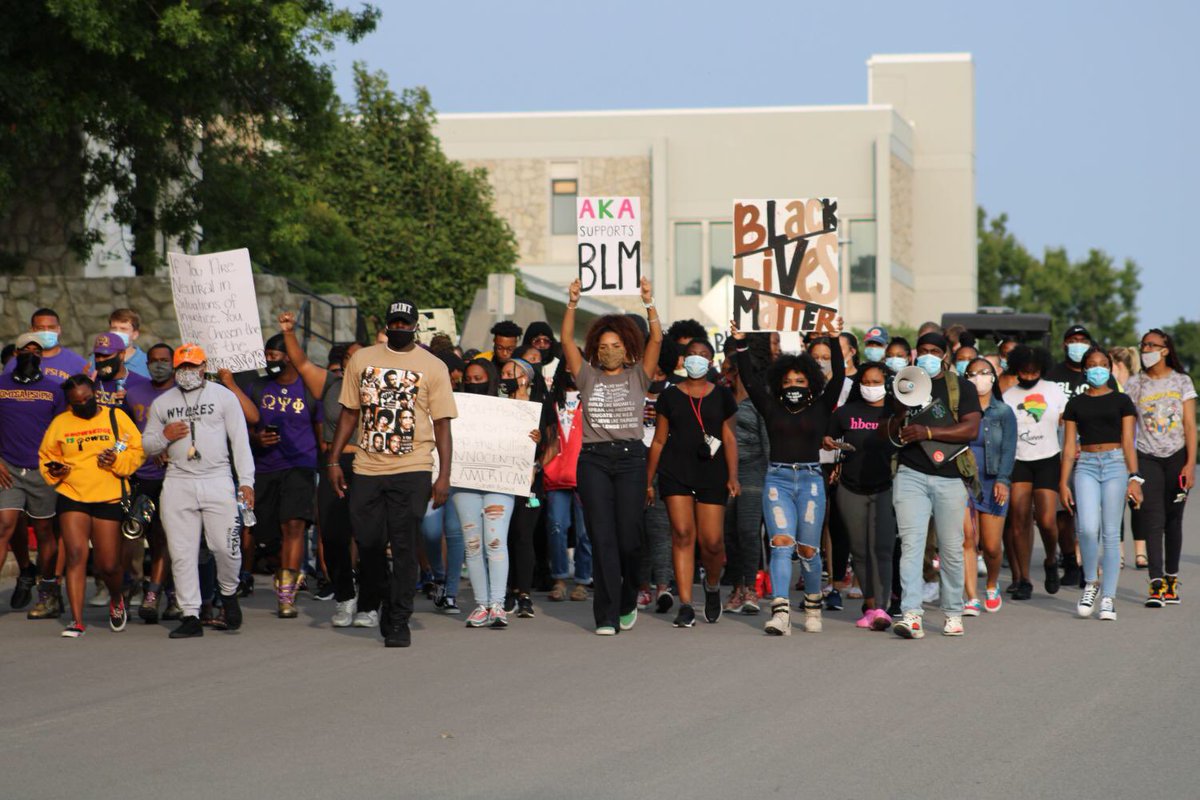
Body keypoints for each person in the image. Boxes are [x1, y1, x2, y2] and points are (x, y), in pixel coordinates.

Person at [327, 299, 457, 648]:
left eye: (405, 323)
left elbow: (442, 424)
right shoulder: (362, 359)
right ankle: (382, 593)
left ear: (416, 327)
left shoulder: (432, 366)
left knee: (403, 544)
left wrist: (443, 475)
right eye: (394, 323)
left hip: (412, 466)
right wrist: (334, 459)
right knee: (367, 542)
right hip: (367, 465)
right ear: (386, 326)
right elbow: (349, 413)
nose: (400, 328)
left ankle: (399, 619)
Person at [731, 318, 844, 636]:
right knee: (781, 544)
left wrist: (833, 340)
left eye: (801, 379)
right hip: (777, 480)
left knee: (808, 549)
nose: (794, 384)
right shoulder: (770, 406)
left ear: (811, 382)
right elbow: (750, 380)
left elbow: (839, 378)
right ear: (780, 382)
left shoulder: (822, 407)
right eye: (788, 380)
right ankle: (780, 611)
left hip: (810, 480)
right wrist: (740, 342)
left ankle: (812, 604)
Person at [561, 276, 661, 635]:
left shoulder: (639, 376)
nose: (609, 351)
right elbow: (565, 343)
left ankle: (628, 598)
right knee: (601, 536)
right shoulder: (586, 376)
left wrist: (648, 302)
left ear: (627, 347)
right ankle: (605, 616)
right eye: (603, 346)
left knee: (629, 539)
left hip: (631, 459)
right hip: (594, 461)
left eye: (616, 345)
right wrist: (572, 303)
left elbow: (658, 340)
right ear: (595, 349)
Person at [141, 345, 254, 638]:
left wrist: (246, 482)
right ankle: (190, 613)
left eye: (193, 366)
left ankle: (228, 593)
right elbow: (147, 445)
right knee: (182, 552)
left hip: (217, 478)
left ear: (204, 367)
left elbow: (240, 441)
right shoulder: (162, 403)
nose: (187, 372)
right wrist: (164, 437)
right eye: (182, 367)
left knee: (225, 547)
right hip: (178, 481)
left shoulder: (223, 397)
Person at [884, 331, 981, 639]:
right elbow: (890, 432)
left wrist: (927, 432)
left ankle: (953, 611)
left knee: (951, 547)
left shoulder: (960, 387)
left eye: (934, 350)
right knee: (911, 545)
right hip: (911, 473)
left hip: (950, 476)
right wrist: (900, 406)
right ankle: (912, 614)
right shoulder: (904, 383)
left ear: (944, 355)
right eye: (922, 350)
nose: (927, 355)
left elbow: (971, 429)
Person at [39, 375, 144, 637]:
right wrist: (56, 470)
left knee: (107, 564)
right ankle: (76, 620)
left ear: (95, 393)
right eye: (77, 402)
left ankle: (117, 597)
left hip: (108, 495)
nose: (83, 404)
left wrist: (116, 461)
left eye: (87, 399)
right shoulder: (61, 423)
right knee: (75, 555)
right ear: (69, 403)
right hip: (72, 494)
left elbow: (136, 450)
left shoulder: (115, 417)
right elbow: (47, 456)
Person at [277, 312, 363, 627]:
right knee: (334, 535)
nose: (355, 361)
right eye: (350, 357)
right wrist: (288, 332)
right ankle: (345, 598)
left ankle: (368, 601)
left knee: (368, 536)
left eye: (360, 356)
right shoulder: (330, 383)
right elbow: (300, 363)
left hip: (368, 465)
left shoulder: (381, 388)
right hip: (334, 465)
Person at [646, 337, 739, 627]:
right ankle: (685, 604)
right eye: (691, 355)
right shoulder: (669, 396)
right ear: (682, 361)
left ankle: (712, 588)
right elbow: (659, 440)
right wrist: (648, 480)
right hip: (676, 472)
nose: (696, 359)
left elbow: (729, 438)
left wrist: (733, 476)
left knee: (711, 542)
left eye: (703, 355)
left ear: (710, 361)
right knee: (683, 534)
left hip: (713, 473)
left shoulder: (722, 395)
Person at [234, 333, 321, 618]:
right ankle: (277, 570)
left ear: (290, 357)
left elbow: (320, 431)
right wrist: (256, 439)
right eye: (267, 355)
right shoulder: (256, 386)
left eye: (275, 355)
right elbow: (241, 427)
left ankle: (286, 594)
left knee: (294, 526)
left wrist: (327, 465)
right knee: (266, 533)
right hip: (265, 468)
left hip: (300, 466)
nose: (270, 360)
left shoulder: (308, 388)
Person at [1060, 347, 1141, 620]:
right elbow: (1069, 446)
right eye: (1092, 364)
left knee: (1109, 532)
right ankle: (1091, 583)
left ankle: (1108, 596)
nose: (1097, 369)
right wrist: (1063, 482)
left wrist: (1134, 477)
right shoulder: (1075, 404)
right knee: (1086, 527)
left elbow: (1129, 442)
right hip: (1086, 466)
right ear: (1084, 370)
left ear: (1110, 368)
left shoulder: (1122, 400)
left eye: (1102, 364)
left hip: (1116, 463)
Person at [1125, 328, 1196, 606]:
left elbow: (1190, 425)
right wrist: (1131, 470)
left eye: (1152, 346)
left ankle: (1171, 579)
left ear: (1165, 350)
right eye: (1143, 346)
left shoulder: (1181, 381)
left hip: (1177, 456)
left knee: (1173, 519)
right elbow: (1128, 431)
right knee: (1151, 518)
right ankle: (1155, 584)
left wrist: (1190, 463)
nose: (1146, 351)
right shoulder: (1135, 384)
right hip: (1147, 456)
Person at [824, 362, 897, 630]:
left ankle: (882, 607)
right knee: (860, 550)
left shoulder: (895, 411)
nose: (871, 387)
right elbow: (828, 438)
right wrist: (829, 442)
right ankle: (870, 605)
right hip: (851, 487)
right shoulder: (845, 413)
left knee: (883, 549)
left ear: (886, 384)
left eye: (877, 382)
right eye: (866, 382)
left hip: (886, 487)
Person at [0, 333, 66, 619]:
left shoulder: (54, 389)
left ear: (43, 356)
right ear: (15, 354)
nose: (31, 354)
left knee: (44, 532)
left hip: (42, 470)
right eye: (25, 350)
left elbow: (63, 428)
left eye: (36, 351)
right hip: (8, 468)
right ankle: (25, 571)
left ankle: (47, 590)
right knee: (5, 525)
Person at [1002, 345, 1068, 600]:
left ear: (1042, 369)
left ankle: (1051, 559)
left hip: (1049, 458)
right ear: (1016, 369)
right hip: (1019, 460)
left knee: (1048, 521)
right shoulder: (1008, 396)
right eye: (1024, 372)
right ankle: (1024, 580)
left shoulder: (1053, 390)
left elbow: (1067, 423)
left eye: (1034, 372)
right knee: (1019, 518)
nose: (1029, 376)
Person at [121, 343, 179, 623]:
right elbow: (123, 433)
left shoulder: (183, 394)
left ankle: (156, 594)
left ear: (174, 363)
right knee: (137, 536)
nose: (158, 365)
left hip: (173, 477)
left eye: (164, 360)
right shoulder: (133, 394)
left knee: (163, 538)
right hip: (141, 477)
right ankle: (138, 587)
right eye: (154, 360)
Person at [720, 335, 770, 615]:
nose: (728, 361)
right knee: (730, 534)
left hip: (754, 470)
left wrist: (769, 476)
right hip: (724, 472)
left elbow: (767, 444)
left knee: (749, 531)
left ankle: (750, 588)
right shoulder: (719, 394)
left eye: (733, 356)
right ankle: (737, 587)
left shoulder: (760, 398)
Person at [961, 357, 1016, 614]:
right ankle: (970, 596)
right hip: (963, 481)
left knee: (992, 547)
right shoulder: (959, 409)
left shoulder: (1004, 412)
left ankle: (992, 584)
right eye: (972, 373)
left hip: (993, 481)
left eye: (984, 372)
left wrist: (1004, 480)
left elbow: (1008, 449)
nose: (978, 378)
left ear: (993, 377)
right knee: (968, 539)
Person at [541, 360, 592, 603]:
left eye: (578, 364)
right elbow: (546, 437)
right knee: (556, 527)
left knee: (585, 532)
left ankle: (582, 580)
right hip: (556, 474)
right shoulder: (551, 402)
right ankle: (559, 578)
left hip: (585, 473)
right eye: (568, 365)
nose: (572, 369)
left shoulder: (593, 398)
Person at [499, 357, 544, 618]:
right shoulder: (496, 406)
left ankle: (524, 593)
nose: (505, 376)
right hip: (502, 479)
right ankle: (508, 590)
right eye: (502, 372)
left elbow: (552, 445)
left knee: (524, 535)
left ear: (525, 377)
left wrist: (538, 456)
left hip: (529, 481)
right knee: (504, 536)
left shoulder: (539, 406)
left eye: (510, 372)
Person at [3, 309, 87, 383]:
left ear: (59, 329)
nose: (46, 332)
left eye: (51, 327)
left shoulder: (78, 363)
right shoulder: (15, 363)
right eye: (40, 328)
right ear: (32, 330)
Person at [96, 308, 150, 379]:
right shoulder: (98, 359)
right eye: (114, 328)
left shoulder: (147, 362)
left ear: (135, 334)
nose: (117, 333)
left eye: (123, 329)